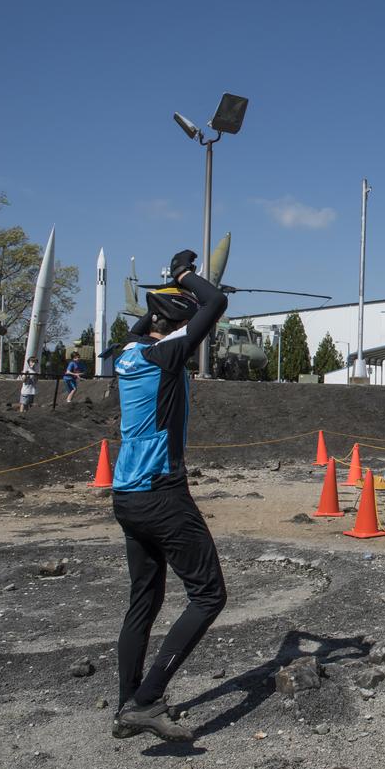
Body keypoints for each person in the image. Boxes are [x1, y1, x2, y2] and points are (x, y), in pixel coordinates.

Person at [109, 249, 228, 743]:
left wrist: (163, 297)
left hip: (127, 496)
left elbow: (151, 322)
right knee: (208, 595)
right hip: (162, 494)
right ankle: (147, 699)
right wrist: (185, 276)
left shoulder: (128, 352)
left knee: (145, 599)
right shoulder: (167, 356)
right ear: (173, 326)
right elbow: (215, 300)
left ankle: (125, 707)